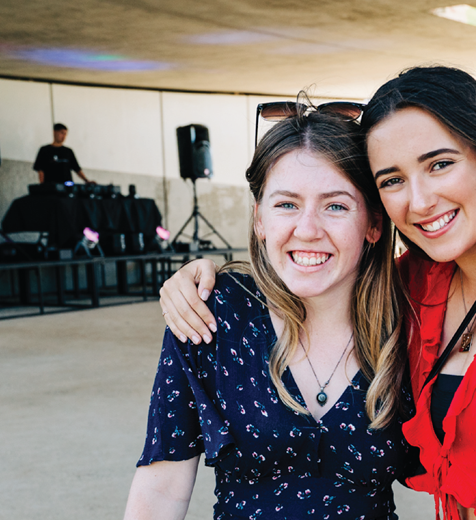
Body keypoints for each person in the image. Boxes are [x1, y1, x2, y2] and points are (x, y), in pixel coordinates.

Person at [159, 66, 476, 520]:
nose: (420, 200)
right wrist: (200, 276)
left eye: (439, 164)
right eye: (392, 180)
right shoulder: (419, 281)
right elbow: (322, 268)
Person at [125, 106, 414, 519]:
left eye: (335, 206)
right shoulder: (211, 314)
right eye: (286, 205)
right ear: (259, 218)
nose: (308, 228)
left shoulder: (411, 322)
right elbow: (161, 488)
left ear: (373, 223)